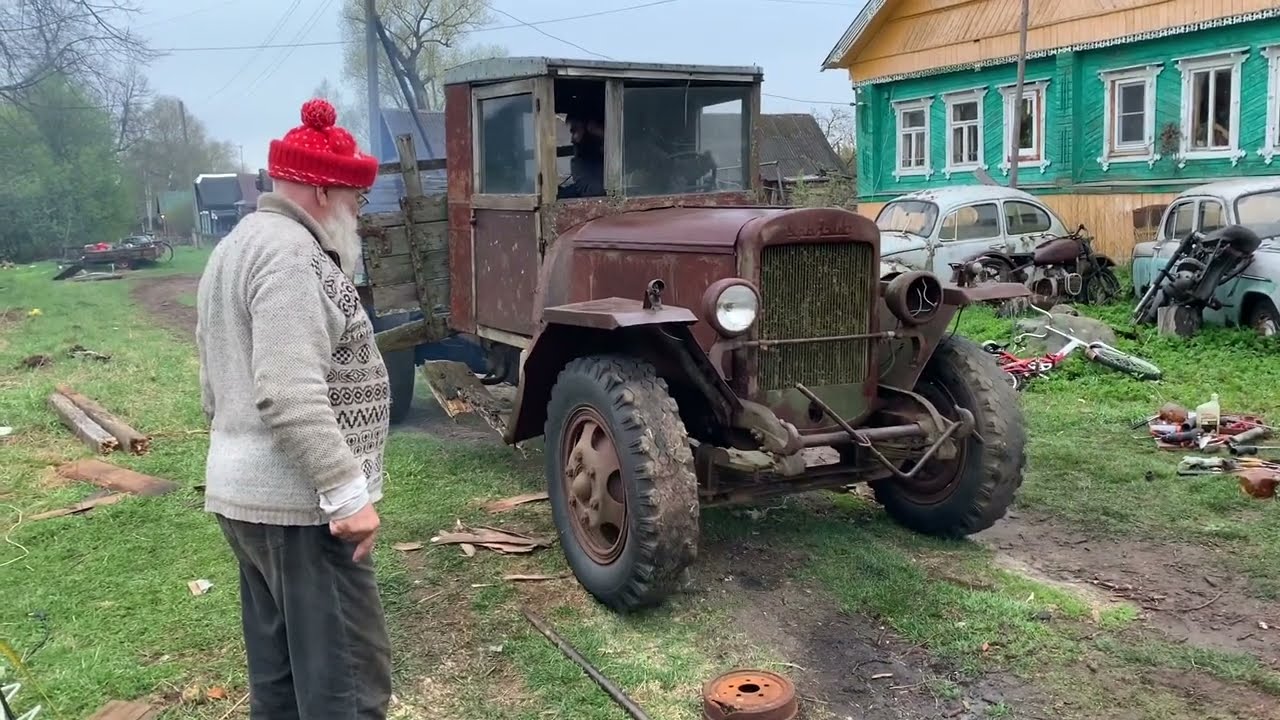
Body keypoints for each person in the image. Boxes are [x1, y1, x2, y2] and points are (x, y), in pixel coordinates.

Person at [195, 98, 392, 720]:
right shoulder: (291, 256)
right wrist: (344, 493)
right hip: (301, 510)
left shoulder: (235, 247)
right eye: (355, 201)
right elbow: (286, 387)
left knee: (279, 682)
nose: (358, 216)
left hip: (246, 500)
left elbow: (212, 383)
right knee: (348, 690)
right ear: (322, 191)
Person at [559, 110, 605, 198]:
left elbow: (589, 190)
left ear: (591, 128)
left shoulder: (593, 163)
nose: (572, 139)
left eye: (575, 131)